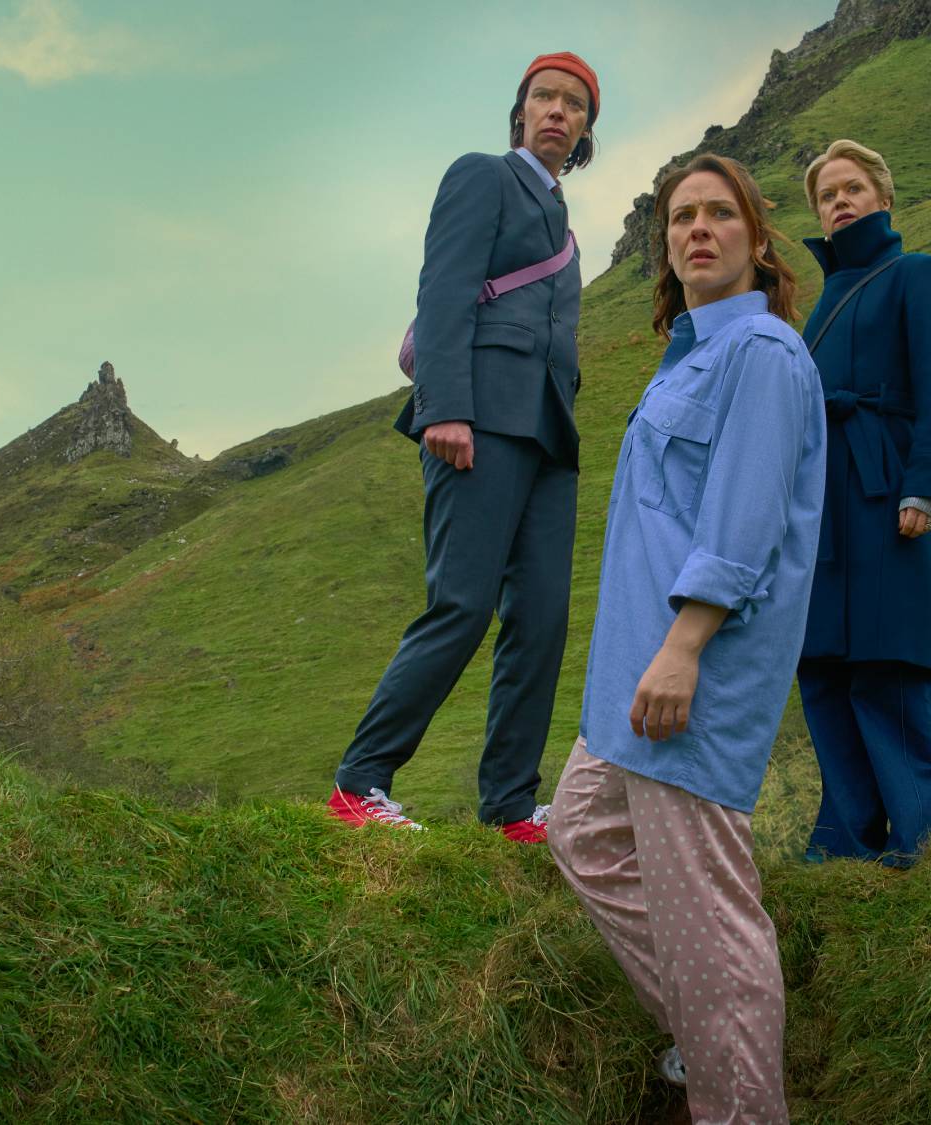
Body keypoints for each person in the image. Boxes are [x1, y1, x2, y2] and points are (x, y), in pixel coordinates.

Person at [549, 153, 824, 1125]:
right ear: (664, 245)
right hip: (634, 671)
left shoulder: (762, 353)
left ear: (756, 238)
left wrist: (685, 647)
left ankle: (738, 1092)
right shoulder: (693, 355)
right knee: (581, 832)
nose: (697, 228)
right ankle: (710, 1033)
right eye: (680, 217)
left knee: (709, 916)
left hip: (690, 669)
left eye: (718, 213)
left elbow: (744, 521)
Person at [325, 53, 600, 844]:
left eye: (574, 103)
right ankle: (359, 782)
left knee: (542, 618)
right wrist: (444, 407)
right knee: (463, 604)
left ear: (586, 129)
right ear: (521, 112)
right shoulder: (483, 175)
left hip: (549, 437)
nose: (557, 110)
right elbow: (443, 289)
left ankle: (510, 805)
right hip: (476, 421)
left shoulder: (566, 230)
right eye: (544, 97)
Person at [795, 139, 931, 868]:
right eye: (827, 195)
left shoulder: (918, 274)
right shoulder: (820, 306)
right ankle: (844, 842)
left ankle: (920, 838)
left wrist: (926, 486)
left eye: (852, 188)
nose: (840, 202)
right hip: (820, 506)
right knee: (824, 663)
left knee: (888, 658)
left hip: (884, 487)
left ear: (884, 198)